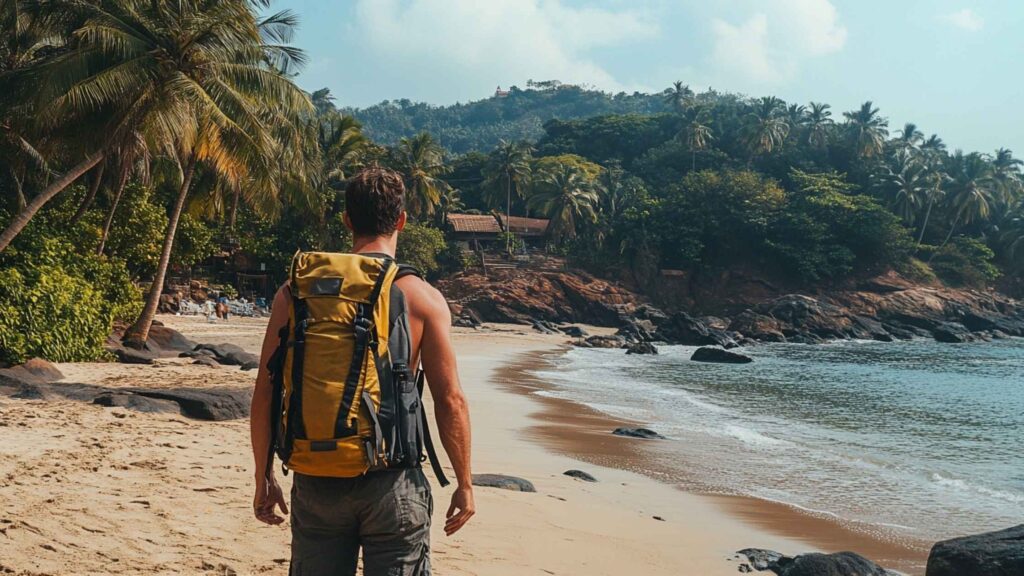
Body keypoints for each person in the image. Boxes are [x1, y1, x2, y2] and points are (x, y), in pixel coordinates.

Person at [249, 167, 474, 575]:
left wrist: (263, 476)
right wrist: (464, 482)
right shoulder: (422, 297)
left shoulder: (296, 292)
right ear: (402, 220)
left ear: (347, 220)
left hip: (316, 476)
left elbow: (266, 392)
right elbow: (450, 399)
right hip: (392, 482)